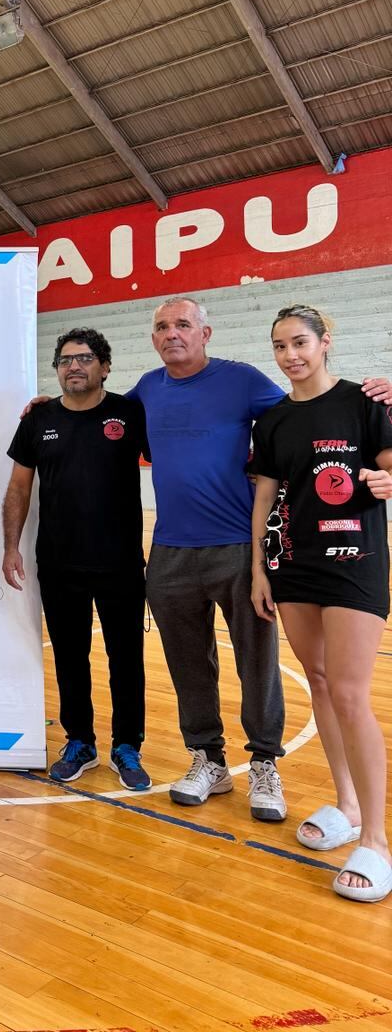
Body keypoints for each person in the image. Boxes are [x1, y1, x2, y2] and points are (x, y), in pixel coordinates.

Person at [131, 296, 391, 823]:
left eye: (183, 324)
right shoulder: (145, 390)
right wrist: (47, 405)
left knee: (259, 663)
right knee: (186, 664)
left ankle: (266, 763)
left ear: (206, 333)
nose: (172, 333)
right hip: (170, 550)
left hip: (239, 545)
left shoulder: (246, 381)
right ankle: (207, 758)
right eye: (162, 326)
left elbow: (317, 414)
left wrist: (382, 395)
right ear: (153, 337)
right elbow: (103, 417)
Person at [250, 305, 392, 903]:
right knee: (321, 682)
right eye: (280, 346)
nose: (291, 355)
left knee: (354, 692)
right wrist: (258, 566)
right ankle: (348, 806)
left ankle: (379, 843)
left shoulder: (368, 401)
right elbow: (266, 493)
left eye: (300, 342)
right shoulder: (275, 419)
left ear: (325, 341)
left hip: (355, 562)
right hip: (292, 563)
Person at [3, 328, 151, 789]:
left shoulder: (131, 413)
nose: (74, 366)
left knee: (126, 657)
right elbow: (19, 487)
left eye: (85, 358)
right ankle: (80, 741)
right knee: (70, 657)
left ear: (104, 367)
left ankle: (127, 745)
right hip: (60, 562)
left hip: (121, 563)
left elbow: (176, 455)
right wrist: (10, 546)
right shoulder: (38, 419)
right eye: (65, 360)